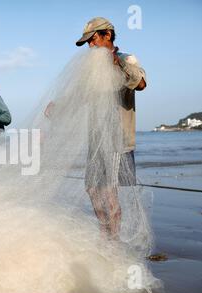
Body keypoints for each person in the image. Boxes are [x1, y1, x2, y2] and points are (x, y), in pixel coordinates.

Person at [75, 17, 147, 239]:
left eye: (93, 39)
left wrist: (119, 63)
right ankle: (105, 232)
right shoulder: (92, 69)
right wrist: (59, 105)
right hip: (96, 137)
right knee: (92, 189)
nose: (91, 46)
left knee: (109, 191)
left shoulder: (127, 59)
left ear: (107, 35)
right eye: (87, 42)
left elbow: (141, 84)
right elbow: (81, 95)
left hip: (117, 137)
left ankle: (113, 241)